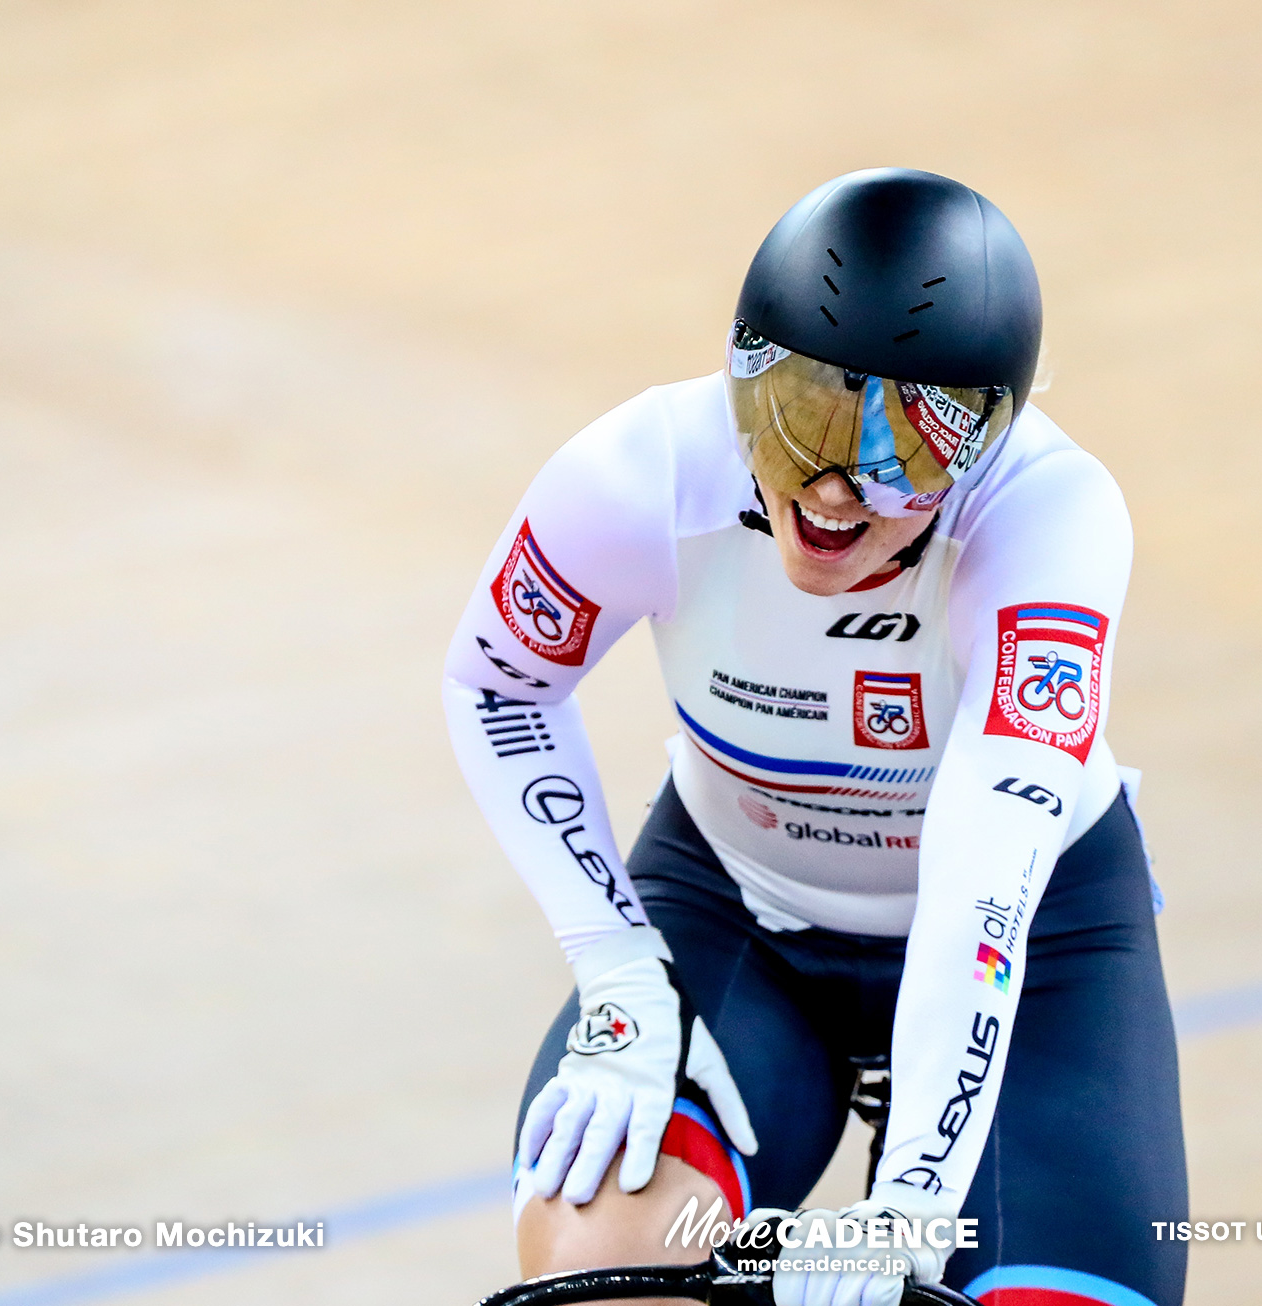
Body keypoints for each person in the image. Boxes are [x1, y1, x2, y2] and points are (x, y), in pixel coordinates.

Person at [443, 168, 1188, 1306]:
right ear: (740, 381)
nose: (838, 490)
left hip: (1030, 949)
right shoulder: (641, 471)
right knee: (604, 1266)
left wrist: (911, 1203)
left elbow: (980, 883)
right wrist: (617, 969)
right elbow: (497, 681)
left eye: (908, 450)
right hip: (740, 912)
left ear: (986, 445)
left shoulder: (1048, 515)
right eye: (803, 421)